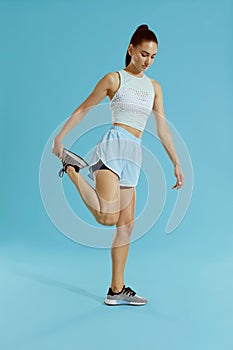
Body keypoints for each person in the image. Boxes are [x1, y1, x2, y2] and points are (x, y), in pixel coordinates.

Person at [52, 24, 184, 306]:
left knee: (125, 225)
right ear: (131, 49)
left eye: (153, 56)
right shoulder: (115, 79)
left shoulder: (154, 87)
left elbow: (162, 128)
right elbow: (84, 108)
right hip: (114, 144)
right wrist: (60, 138)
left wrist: (175, 162)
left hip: (134, 153)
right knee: (108, 217)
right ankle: (73, 170)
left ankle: (116, 290)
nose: (148, 60)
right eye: (144, 53)